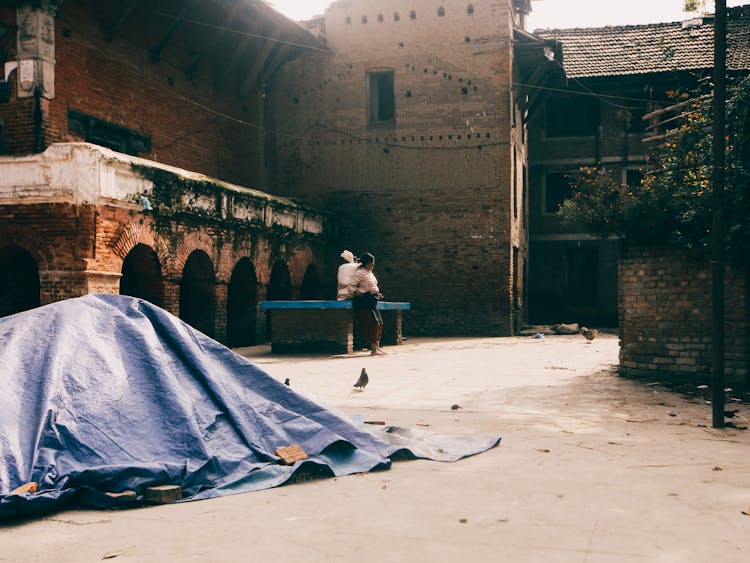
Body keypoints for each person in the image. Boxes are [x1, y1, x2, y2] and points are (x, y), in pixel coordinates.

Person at [350, 252, 386, 356]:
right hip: (365, 301)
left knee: (379, 323)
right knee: (373, 324)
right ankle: (373, 349)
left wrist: (377, 293)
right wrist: (360, 292)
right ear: (366, 263)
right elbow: (350, 286)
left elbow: (371, 286)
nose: (372, 266)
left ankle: (377, 347)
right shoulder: (359, 273)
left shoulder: (370, 273)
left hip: (373, 300)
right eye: (371, 264)